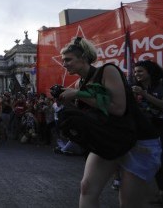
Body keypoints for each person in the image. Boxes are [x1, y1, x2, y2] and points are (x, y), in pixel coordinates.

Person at [58, 37, 161, 207]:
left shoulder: (108, 71)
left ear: (83, 57)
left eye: (68, 59)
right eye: (63, 60)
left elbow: (117, 108)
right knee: (87, 188)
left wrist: (78, 95)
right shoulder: (79, 83)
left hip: (139, 140)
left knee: (128, 202)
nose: (64, 64)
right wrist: (68, 102)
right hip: (109, 138)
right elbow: (90, 115)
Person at [132, 60, 163, 203]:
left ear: (150, 72)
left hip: (160, 127)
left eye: (140, 71)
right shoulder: (134, 87)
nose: (136, 74)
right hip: (146, 130)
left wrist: (145, 95)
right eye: (135, 71)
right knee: (154, 162)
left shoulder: (160, 85)